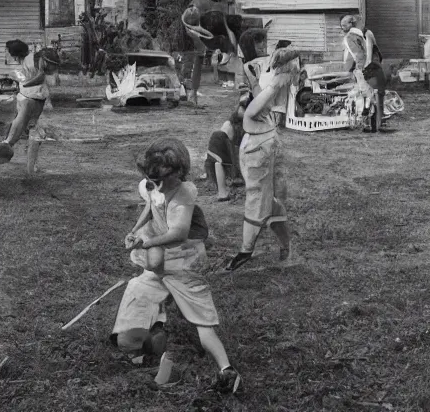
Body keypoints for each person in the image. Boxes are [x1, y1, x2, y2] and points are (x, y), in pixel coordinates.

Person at [113, 139, 240, 393]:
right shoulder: (152, 184)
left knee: (201, 321)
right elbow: (150, 205)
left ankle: (227, 372)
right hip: (161, 263)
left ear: (177, 173)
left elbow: (179, 233)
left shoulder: (184, 194)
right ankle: (137, 348)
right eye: (151, 180)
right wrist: (135, 230)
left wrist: (146, 243)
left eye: (159, 180)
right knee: (138, 294)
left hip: (184, 263)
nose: (154, 185)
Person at [225, 49, 300, 272]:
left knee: (266, 199)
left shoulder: (273, 83)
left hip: (263, 143)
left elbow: (253, 110)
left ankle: (255, 249)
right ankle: (261, 248)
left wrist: (264, 86)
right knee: (263, 198)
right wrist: (261, 84)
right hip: (261, 143)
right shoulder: (273, 83)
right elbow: (255, 108)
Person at [0, 39, 49, 175]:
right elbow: (26, 78)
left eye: (8, 51)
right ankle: (30, 165)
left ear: (14, 52)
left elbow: (40, 76)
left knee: (32, 130)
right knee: (28, 129)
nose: (7, 54)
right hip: (27, 96)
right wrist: (18, 80)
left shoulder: (31, 59)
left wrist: (25, 83)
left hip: (33, 98)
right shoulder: (24, 61)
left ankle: (29, 166)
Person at [340, 15, 386, 132]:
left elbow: (359, 55)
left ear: (352, 24)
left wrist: (359, 69)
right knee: (369, 97)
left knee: (365, 96)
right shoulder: (361, 35)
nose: (342, 28)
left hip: (361, 70)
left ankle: (368, 124)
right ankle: (372, 123)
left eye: (344, 25)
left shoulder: (351, 37)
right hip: (368, 68)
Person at [204, 111, 244, 203]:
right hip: (221, 139)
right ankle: (222, 193)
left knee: (217, 162)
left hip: (215, 137)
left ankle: (221, 191)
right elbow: (235, 146)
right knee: (220, 163)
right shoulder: (236, 128)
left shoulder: (228, 123)